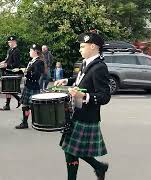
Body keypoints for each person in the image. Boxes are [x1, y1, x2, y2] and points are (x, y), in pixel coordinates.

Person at [54, 32, 111, 180]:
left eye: (82, 46)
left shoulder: (100, 67)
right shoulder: (86, 62)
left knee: (70, 150)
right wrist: (67, 80)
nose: (80, 49)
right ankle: (99, 167)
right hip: (77, 112)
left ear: (93, 47)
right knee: (70, 149)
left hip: (86, 116)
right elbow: (82, 80)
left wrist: (84, 96)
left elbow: (105, 96)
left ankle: (98, 167)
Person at [15, 44, 44, 129]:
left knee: (33, 106)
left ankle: (36, 122)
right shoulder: (32, 61)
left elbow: (36, 75)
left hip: (33, 86)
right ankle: (25, 122)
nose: (29, 52)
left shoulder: (39, 62)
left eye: (30, 50)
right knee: (25, 105)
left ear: (35, 51)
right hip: (28, 85)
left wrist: (26, 72)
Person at [0, 35, 21, 111]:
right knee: (7, 90)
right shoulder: (10, 50)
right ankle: (7, 105)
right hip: (7, 71)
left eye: (10, 42)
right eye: (8, 42)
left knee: (9, 89)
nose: (9, 43)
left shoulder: (16, 51)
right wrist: (4, 62)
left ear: (14, 42)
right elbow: (8, 59)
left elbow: (16, 64)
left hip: (12, 72)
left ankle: (19, 99)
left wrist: (7, 65)